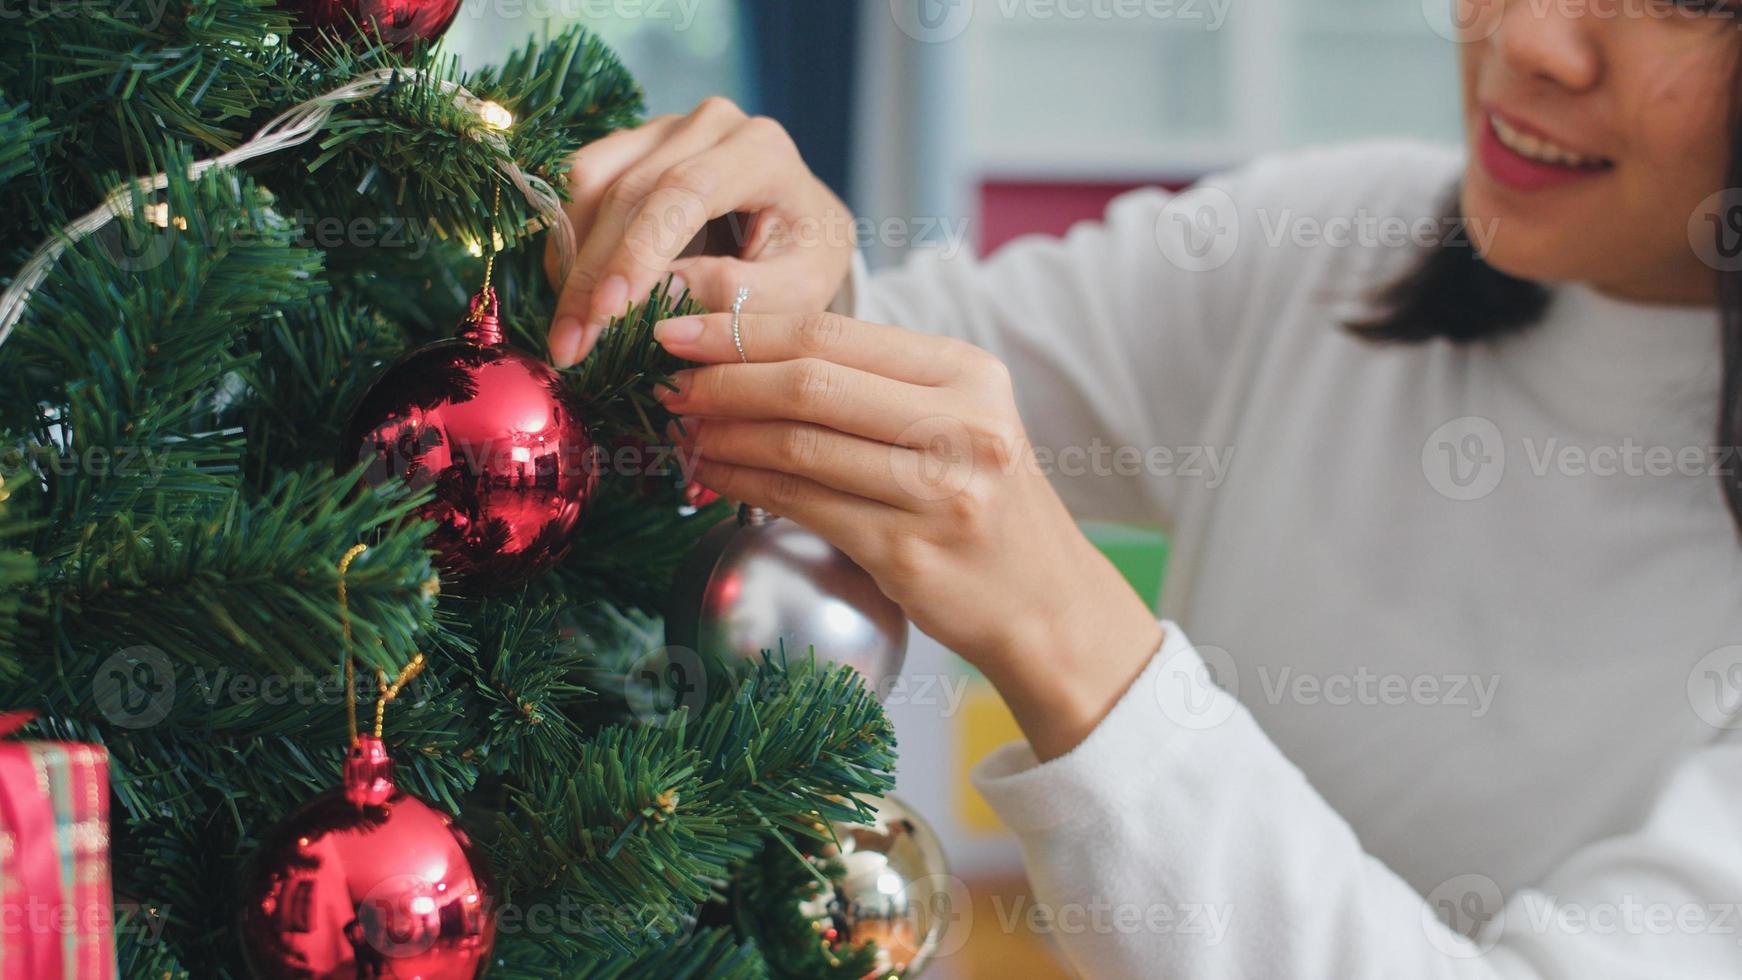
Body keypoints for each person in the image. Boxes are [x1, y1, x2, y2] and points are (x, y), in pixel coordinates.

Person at [544, 3, 1742, 976]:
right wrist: (759, 254)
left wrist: (1062, 625)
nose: (1531, 37)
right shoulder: (1340, 242)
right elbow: (904, 353)